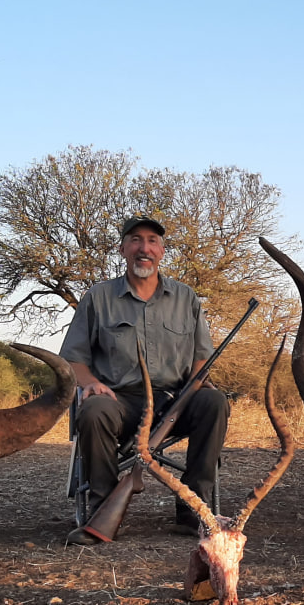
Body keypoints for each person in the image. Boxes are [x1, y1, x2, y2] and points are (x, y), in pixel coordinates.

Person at [60, 215, 228, 543]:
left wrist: (195, 384)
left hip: (174, 402)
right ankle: (101, 512)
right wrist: (89, 383)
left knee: (214, 402)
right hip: (120, 402)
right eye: (135, 240)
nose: (144, 248)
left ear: (162, 251)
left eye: (152, 241)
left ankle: (194, 511)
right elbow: (73, 358)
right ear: (122, 248)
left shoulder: (187, 298)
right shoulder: (97, 297)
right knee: (93, 410)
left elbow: (202, 357)